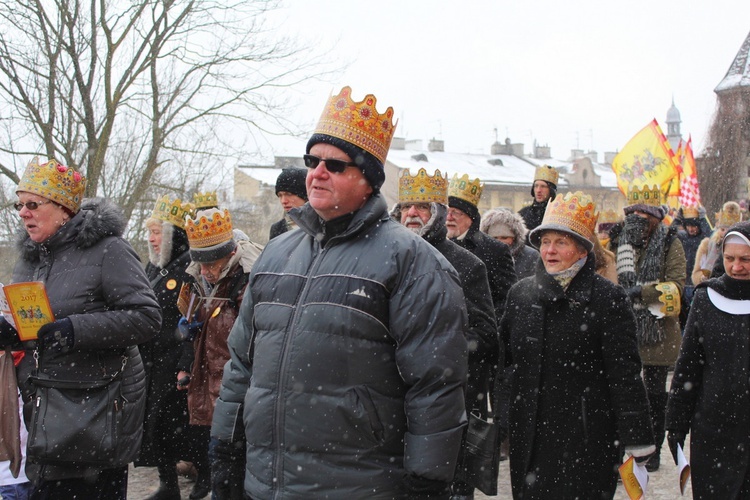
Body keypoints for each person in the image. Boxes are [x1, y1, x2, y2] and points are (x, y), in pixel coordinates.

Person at [210, 86, 469, 499]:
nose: (317, 172)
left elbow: (435, 383)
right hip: (268, 482)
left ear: (368, 181)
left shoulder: (412, 262)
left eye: (335, 164)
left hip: (358, 483)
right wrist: (224, 447)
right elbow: (241, 362)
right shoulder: (277, 252)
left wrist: (428, 480)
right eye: (313, 161)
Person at [0, 157, 161, 498]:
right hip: (43, 413)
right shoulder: (29, 259)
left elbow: (146, 317)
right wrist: (13, 333)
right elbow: (37, 327)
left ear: (64, 209)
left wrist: (75, 330)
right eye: (19, 204)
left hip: (94, 415)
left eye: (32, 204)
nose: (23, 213)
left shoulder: (109, 250)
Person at [501, 191, 654, 499]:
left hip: (587, 437)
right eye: (545, 242)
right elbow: (507, 366)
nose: (550, 251)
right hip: (529, 435)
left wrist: (637, 436)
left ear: (583, 250)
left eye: (561, 242)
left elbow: (624, 373)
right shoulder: (520, 295)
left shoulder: (608, 299)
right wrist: (505, 421)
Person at [391, 167, 497, 499]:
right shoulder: (380, 257)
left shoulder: (467, 265)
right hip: (389, 402)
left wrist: (438, 351)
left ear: (437, 214)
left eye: (421, 206)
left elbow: (487, 338)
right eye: (407, 206)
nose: (412, 213)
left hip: (446, 403)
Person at [177, 207, 262, 500]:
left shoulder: (248, 281)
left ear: (229, 255)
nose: (203, 271)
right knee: (221, 475)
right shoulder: (205, 279)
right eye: (199, 264)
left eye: (210, 264)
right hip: (214, 389)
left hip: (238, 396)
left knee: (232, 477)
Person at [666, 221, 750, 499]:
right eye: (730, 259)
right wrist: (676, 423)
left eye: (745, 259)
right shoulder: (707, 298)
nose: (737, 267)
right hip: (714, 428)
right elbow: (688, 367)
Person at [615, 184, 686, 472]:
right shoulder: (619, 242)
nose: (639, 218)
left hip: (658, 331)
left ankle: (653, 448)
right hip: (624, 329)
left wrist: (639, 293)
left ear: (655, 216)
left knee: (655, 396)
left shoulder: (669, 242)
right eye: (634, 212)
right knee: (626, 393)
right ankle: (627, 449)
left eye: (645, 213)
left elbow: (677, 285)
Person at [136, 195, 195, 500]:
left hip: (175, 358)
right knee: (158, 423)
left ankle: (203, 479)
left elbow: (192, 317)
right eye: (150, 233)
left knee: (183, 426)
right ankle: (167, 483)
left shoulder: (189, 266)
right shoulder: (153, 267)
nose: (152, 239)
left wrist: (186, 361)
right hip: (152, 359)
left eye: (158, 232)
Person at [447, 174, 517, 326]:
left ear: (470, 217)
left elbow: (507, 298)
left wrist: (490, 325)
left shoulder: (495, 250)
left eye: (456, 212)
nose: (449, 217)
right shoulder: (438, 246)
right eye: (447, 211)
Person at [480, 207, 539, 280]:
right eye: (494, 238)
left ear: (514, 238)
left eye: (504, 238)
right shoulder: (481, 256)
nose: (499, 242)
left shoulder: (531, 256)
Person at [692, 201, 742, 285]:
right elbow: (696, 273)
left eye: (729, 230)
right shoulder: (707, 245)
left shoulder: (743, 246)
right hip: (711, 288)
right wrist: (702, 278)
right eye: (722, 229)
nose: (724, 233)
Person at [269, 167, 308, 240]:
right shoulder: (278, 229)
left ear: (305, 196)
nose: (283, 201)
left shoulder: (322, 226)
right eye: (280, 195)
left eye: (289, 194)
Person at [517, 165, 558, 233]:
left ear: (551, 190)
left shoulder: (558, 214)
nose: (538, 190)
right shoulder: (523, 214)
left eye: (543, 186)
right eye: (536, 186)